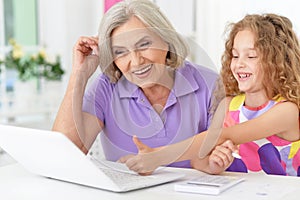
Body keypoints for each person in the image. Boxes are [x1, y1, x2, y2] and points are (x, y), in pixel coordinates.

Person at [52, 0, 229, 171]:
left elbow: (218, 155)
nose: (136, 62)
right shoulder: (106, 87)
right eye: (120, 52)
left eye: (144, 44)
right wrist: (79, 75)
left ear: (166, 40)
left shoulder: (210, 84)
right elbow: (63, 155)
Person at [119, 13, 300, 176]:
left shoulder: (286, 111)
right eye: (235, 56)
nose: (239, 64)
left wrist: (158, 155)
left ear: (276, 62)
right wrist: (213, 163)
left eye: (251, 56)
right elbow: (199, 159)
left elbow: (220, 136)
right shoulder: (229, 105)